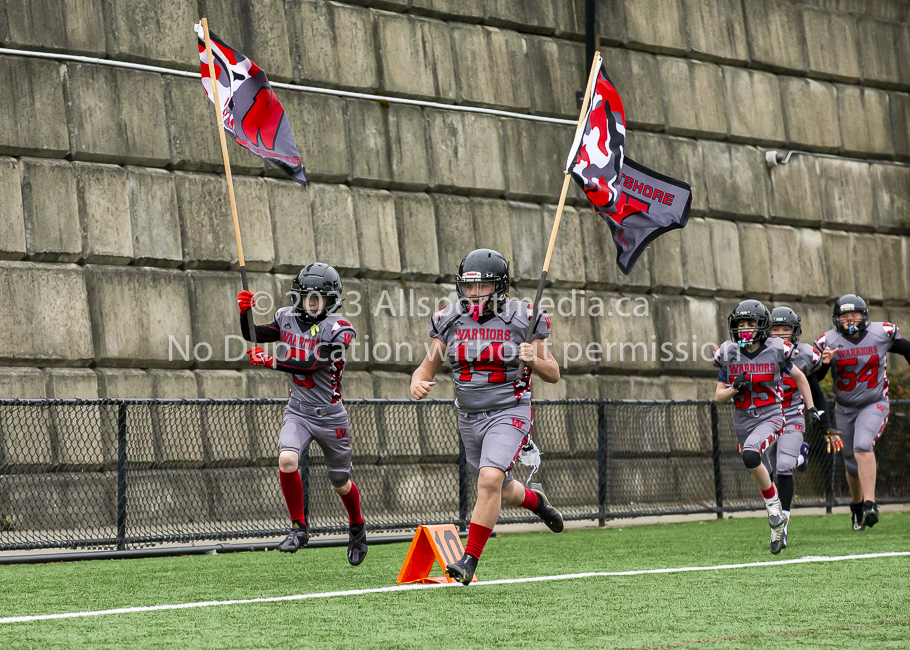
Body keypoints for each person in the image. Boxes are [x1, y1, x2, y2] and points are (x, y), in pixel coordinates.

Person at [410, 249, 564, 585]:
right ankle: (536, 501)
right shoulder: (449, 319)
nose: (474, 293)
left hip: (510, 409)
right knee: (500, 488)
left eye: (483, 286)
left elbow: (552, 372)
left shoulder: (524, 317)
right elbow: (427, 366)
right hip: (468, 416)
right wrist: (417, 380)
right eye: (469, 286)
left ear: (500, 287)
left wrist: (534, 359)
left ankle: (468, 561)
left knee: (489, 480)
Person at [237, 262, 367, 565]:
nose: (310, 303)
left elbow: (313, 362)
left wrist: (271, 363)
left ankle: (357, 526)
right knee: (287, 459)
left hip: (331, 415)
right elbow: (253, 335)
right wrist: (244, 312)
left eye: (317, 298)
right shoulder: (286, 318)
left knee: (340, 482)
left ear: (330, 300)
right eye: (306, 296)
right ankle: (299, 527)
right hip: (298, 410)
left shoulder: (339, 329)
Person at [713, 300, 821, 554]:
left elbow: (800, 376)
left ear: (762, 325)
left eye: (751, 323)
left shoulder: (776, 349)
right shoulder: (728, 352)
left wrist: (811, 407)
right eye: (741, 323)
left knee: (751, 454)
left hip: (772, 415)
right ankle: (776, 522)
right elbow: (718, 397)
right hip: (743, 420)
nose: (745, 328)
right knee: (762, 467)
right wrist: (733, 388)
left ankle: (774, 507)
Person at [815, 294, 910, 530]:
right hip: (845, 407)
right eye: (844, 315)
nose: (849, 319)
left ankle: (870, 505)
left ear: (864, 315)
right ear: (836, 318)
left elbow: (907, 348)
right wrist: (825, 363)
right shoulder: (828, 340)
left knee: (863, 444)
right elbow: (815, 379)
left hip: (874, 401)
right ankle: (857, 508)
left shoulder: (881, 333)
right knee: (850, 464)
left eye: (854, 314)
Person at [765, 306, 843, 550]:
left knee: (783, 467)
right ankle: (801, 455)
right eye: (775, 329)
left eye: (785, 329)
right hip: (765, 416)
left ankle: (782, 526)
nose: (779, 334)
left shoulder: (804, 355)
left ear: (794, 331)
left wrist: (826, 426)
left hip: (792, 415)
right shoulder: (760, 353)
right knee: (764, 469)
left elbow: (815, 389)